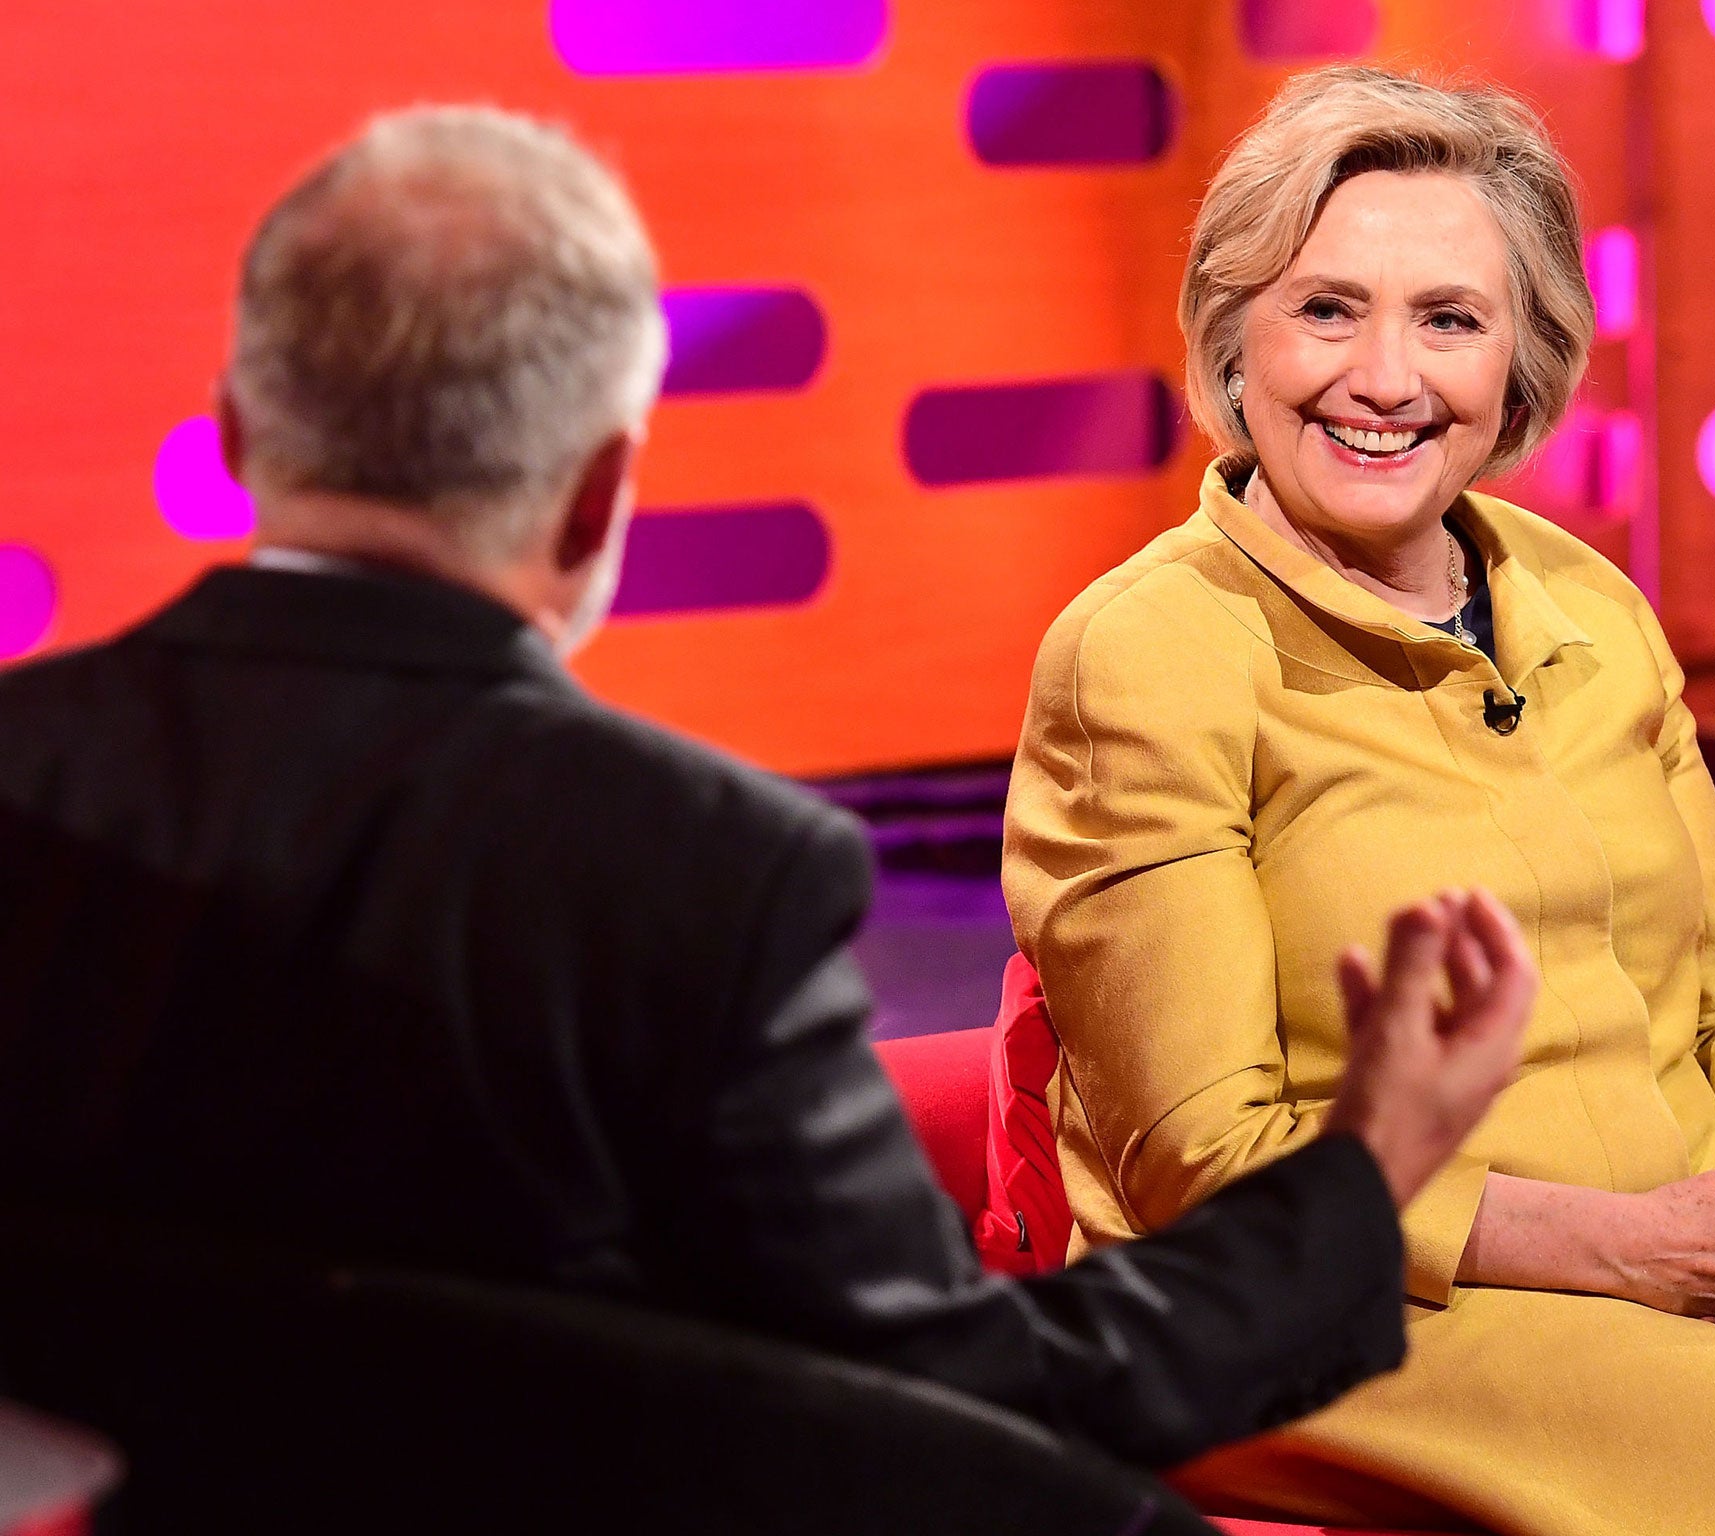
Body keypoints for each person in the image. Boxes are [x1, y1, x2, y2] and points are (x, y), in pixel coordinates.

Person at [0, 105, 1536, 1491]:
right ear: (605, 495)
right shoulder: (698, 874)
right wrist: (1363, 1170)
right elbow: (958, 1401)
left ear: (237, 433)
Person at [1002, 64, 1715, 1536]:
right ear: (1236, 340)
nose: (1386, 376)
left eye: (1447, 318)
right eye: (1326, 309)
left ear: (1522, 358)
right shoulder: (1146, 651)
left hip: (1692, 1252)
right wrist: (1630, 1249)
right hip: (1359, 1311)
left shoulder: (1587, 602)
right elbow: (1212, 1168)